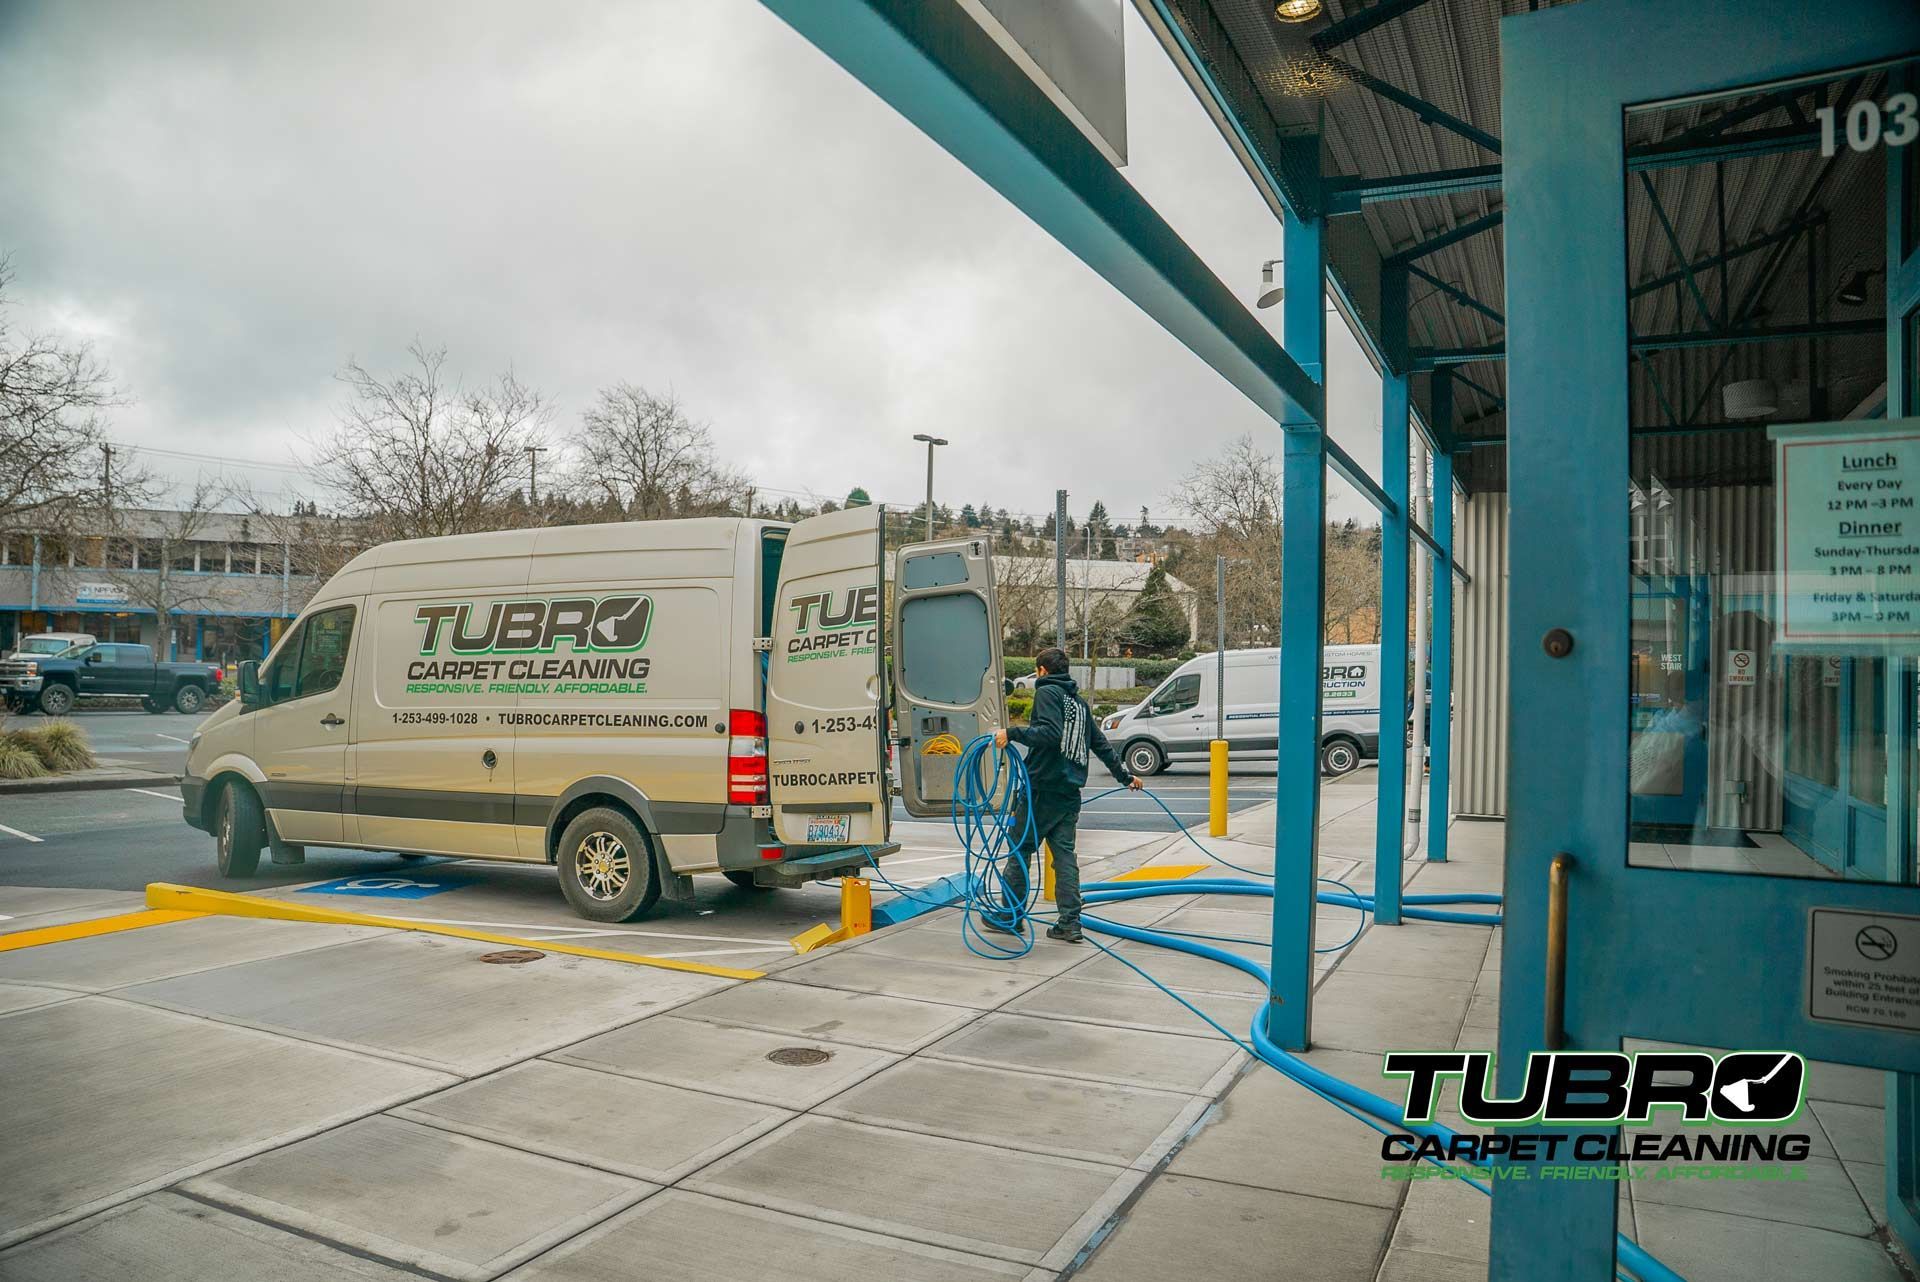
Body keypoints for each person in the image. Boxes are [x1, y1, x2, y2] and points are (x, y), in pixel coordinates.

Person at [993, 647, 1142, 943]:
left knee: (1019, 849)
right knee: (1064, 857)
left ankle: (1010, 916)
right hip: (1068, 792)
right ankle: (1070, 923)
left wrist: (1011, 733)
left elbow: (1049, 733)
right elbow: (1100, 744)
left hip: (1042, 789)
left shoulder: (1047, 694)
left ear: (1042, 671)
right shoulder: (1079, 703)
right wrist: (1125, 776)